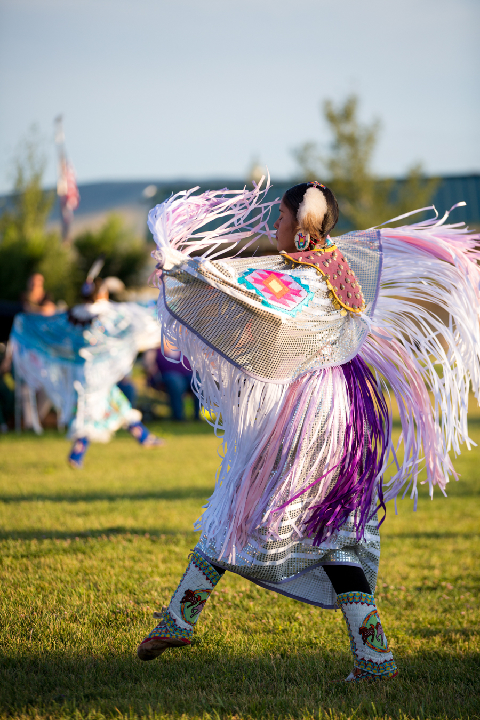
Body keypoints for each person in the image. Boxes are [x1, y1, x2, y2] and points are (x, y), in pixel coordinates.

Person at [136, 181, 480, 682]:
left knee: (241, 505)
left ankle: (181, 617)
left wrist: (183, 272)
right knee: (332, 530)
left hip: (307, 410)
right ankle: (374, 653)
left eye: (279, 219)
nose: (272, 227)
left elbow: (238, 300)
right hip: (347, 408)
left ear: (301, 231)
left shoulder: (295, 279)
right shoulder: (346, 266)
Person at [10, 276, 165, 467]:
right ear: (101, 293)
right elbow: (140, 315)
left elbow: (51, 327)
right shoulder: (110, 313)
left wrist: (23, 321)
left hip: (79, 372)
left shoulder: (72, 314)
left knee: (114, 402)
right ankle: (77, 454)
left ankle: (143, 436)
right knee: (87, 410)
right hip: (99, 372)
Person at [145, 340, 200, 421]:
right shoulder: (155, 350)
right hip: (166, 377)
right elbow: (148, 365)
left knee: (198, 382)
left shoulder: (184, 347)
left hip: (186, 376)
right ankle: (178, 416)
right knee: (176, 382)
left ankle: (197, 415)